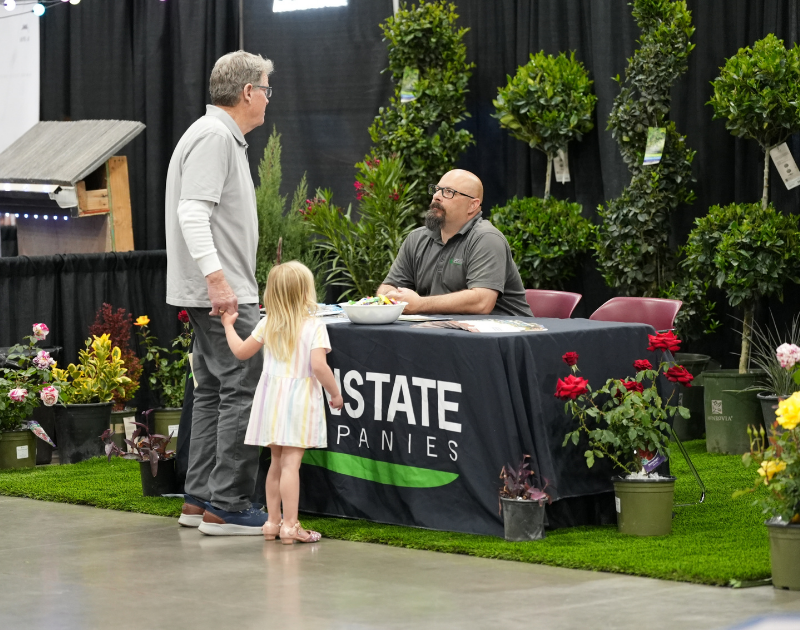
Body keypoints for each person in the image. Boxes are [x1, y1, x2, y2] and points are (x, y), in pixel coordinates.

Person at [165, 50, 274, 535]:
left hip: (213, 290)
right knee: (244, 384)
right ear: (248, 91)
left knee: (211, 387)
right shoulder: (214, 137)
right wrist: (218, 281)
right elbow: (193, 213)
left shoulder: (212, 134)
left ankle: (200, 498)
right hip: (223, 293)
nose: (269, 99)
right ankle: (228, 505)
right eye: (267, 89)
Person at [220, 262, 344, 544]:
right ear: (305, 293)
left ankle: (271, 523)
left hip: (270, 400)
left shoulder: (267, 323)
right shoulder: (314, 326)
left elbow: (240, 352)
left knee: (275, 462)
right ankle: (291, 525)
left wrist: (228, 326)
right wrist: (335, 393)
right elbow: (319, 367)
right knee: (291, 465)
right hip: (298, 402)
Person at [377, 169, 532, 317]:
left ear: (472, 205)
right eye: (437, 189)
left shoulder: (486, 238)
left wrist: (419, 304)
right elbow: (388, 287)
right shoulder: (417, 238)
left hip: (504, 336)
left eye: (448, 192)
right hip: (445, 332)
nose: (436, 196)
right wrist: (389, 296)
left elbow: (482, 302)